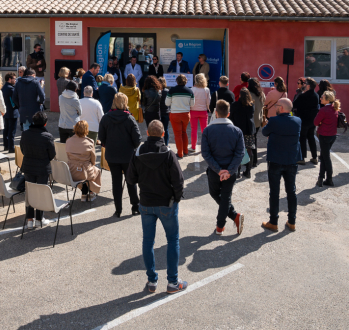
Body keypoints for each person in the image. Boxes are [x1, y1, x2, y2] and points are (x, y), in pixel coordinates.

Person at [126, 119, 187, 294]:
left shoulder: (138, 152)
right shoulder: (168, 153)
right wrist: (175, 199)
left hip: (146, 203)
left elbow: (130, 179)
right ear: (163, 134)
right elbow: (179, 181)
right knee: (173, 240)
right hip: (166, 203)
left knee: (148, 241)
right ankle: (173, 282)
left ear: (147, 133)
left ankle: (152, 281)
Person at [202, 100, 245, 235]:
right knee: (225, 197)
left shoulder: (208, 130)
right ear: (229, 114)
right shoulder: (237, 131)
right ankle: (232, 216)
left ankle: (221, 226)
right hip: (231, 171)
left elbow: (205, 153)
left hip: (215, 171)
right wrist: (229, 170)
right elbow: (240, 153)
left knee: (215, 194)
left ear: (215, 113)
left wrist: (219, 170)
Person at [98, 92, 142, 217]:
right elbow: (137, 139)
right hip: (127, 155)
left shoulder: (106, 117)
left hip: (112, 155)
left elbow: (101, 137)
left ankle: (118, 210)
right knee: (131, 182)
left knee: (116, 183)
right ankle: (135, 206)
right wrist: (132, 147)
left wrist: (108, 144)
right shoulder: (129, 118)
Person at [261, 98, 301, 232]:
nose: (276, 108)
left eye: (277, 106)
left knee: (274, 192)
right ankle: (292, 221)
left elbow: (264, 132)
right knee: (291, 191)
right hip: (291, 160)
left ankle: (273, 222)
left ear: (282, 108)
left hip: (276, 160)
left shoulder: (274, 121)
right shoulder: (297, 121)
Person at [20, 111, 56, 228]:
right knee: (41, 193)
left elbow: (22, 150)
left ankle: (29, 219)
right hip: (42, 169)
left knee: (29, 193)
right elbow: (52, 154)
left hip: (28, 167)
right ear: (45, 124)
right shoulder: (48, 137)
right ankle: (40, 218)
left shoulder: (25, 134)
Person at [66, 120, 101, 201]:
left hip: (71, 171)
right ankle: (91, 193)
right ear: (86, 130)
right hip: (85, 171)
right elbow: (93, 160)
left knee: (83, 175)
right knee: (96, 171)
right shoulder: (90, 142)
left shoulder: (69, 141)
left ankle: (84, 193)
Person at [314, 91, 340, 187]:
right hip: (332, 135)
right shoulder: (335, 108)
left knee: (325, 158)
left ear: (328, 99)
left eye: (322, 97)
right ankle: (322, 179)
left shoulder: (323, 110)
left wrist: (320, 123)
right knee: (324, 156)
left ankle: (327, 179)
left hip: (324, 135)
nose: (320, 98)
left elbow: (316, 122)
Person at [165, 74, 195, 158]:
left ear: (177, 81)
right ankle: (185, 151)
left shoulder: (172, 90)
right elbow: (192, 104)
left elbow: (167, 103)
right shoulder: (190, 91)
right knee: (184, 132)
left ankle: (180, 153)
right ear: (186, 81)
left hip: (175, 114)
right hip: (186, 114)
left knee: (178, 134)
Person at [292, 77, 319, 165]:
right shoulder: (316, 95)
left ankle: (302, 158)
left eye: (305, 83)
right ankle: (314, 157)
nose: (303, 85)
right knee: (311, 137)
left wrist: (301, 93)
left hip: (303, 119)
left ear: (308, 86)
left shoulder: (303, 95)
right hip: (312, 120)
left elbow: (294, 104)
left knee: (302, 138)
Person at [230, 88, 255, 178]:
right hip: (249, 130)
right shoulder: (251, 105)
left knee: (238, 150)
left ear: (240, 95)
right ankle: (248, 171)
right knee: (249, 150)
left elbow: (231, 117)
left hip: (238, 130)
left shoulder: (234, 105)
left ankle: (238, 171)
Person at [13, 67, 45, 132]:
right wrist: (40, 103)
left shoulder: (18, 83)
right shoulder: (35, 82)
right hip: (35, 110)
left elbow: (14, 98)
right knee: (36, 130)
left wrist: (20, 105)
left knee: (26, 130)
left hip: (23, 110)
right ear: (33, 75)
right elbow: (42, 96)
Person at [190, 73, 211, 153]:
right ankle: (206, 147)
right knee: (204, 130)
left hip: (193, 111)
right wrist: (208, 108)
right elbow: (208, 101)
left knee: (193, 130)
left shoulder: (192, 89)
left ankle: (193, 146)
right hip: (203, 111)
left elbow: (190, 102)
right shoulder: (206, 90)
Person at [248, 78, 266, 165]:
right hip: (258, 120)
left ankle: (252, 160)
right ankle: (254, 160)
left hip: (250, 120)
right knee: (254, 139)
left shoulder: (249, 95)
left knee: (250, 141)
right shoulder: (261, 94)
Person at [1, 73, 19, 153]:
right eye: (14, 79)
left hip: (6, 111)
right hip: (12, 112)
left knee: (6, 129)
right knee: (12, 131)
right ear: (9, 79)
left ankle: (6, 146)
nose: (15, 80)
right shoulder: (11, 89)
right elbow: (15, 100)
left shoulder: (4, 87)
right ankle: (11, 148)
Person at [159, 77, 171, 146]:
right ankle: (166, 144)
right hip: (166, 112)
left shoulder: (157, 91)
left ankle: (160, 144)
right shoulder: (167, 91)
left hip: (159, 113)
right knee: (166, 129)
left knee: (159, 130)